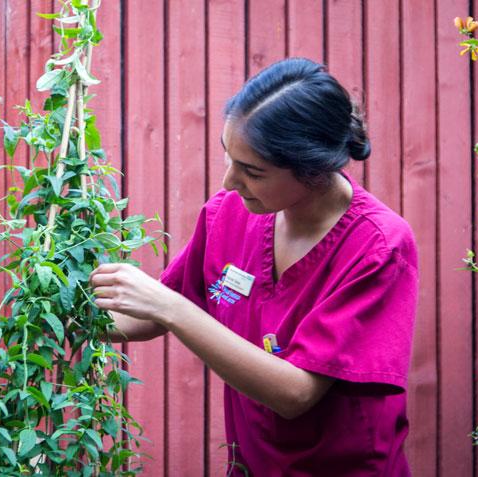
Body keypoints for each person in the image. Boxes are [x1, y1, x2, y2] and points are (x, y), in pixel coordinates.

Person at [89, 57, 418, 476]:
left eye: (252, 171)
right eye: (229, 158)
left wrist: (167, 308)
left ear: (313, 168)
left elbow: (296, 393)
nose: (229, 181)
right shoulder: (228, 214)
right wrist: (62, 307)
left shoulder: (378, 245)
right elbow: (150, 315)